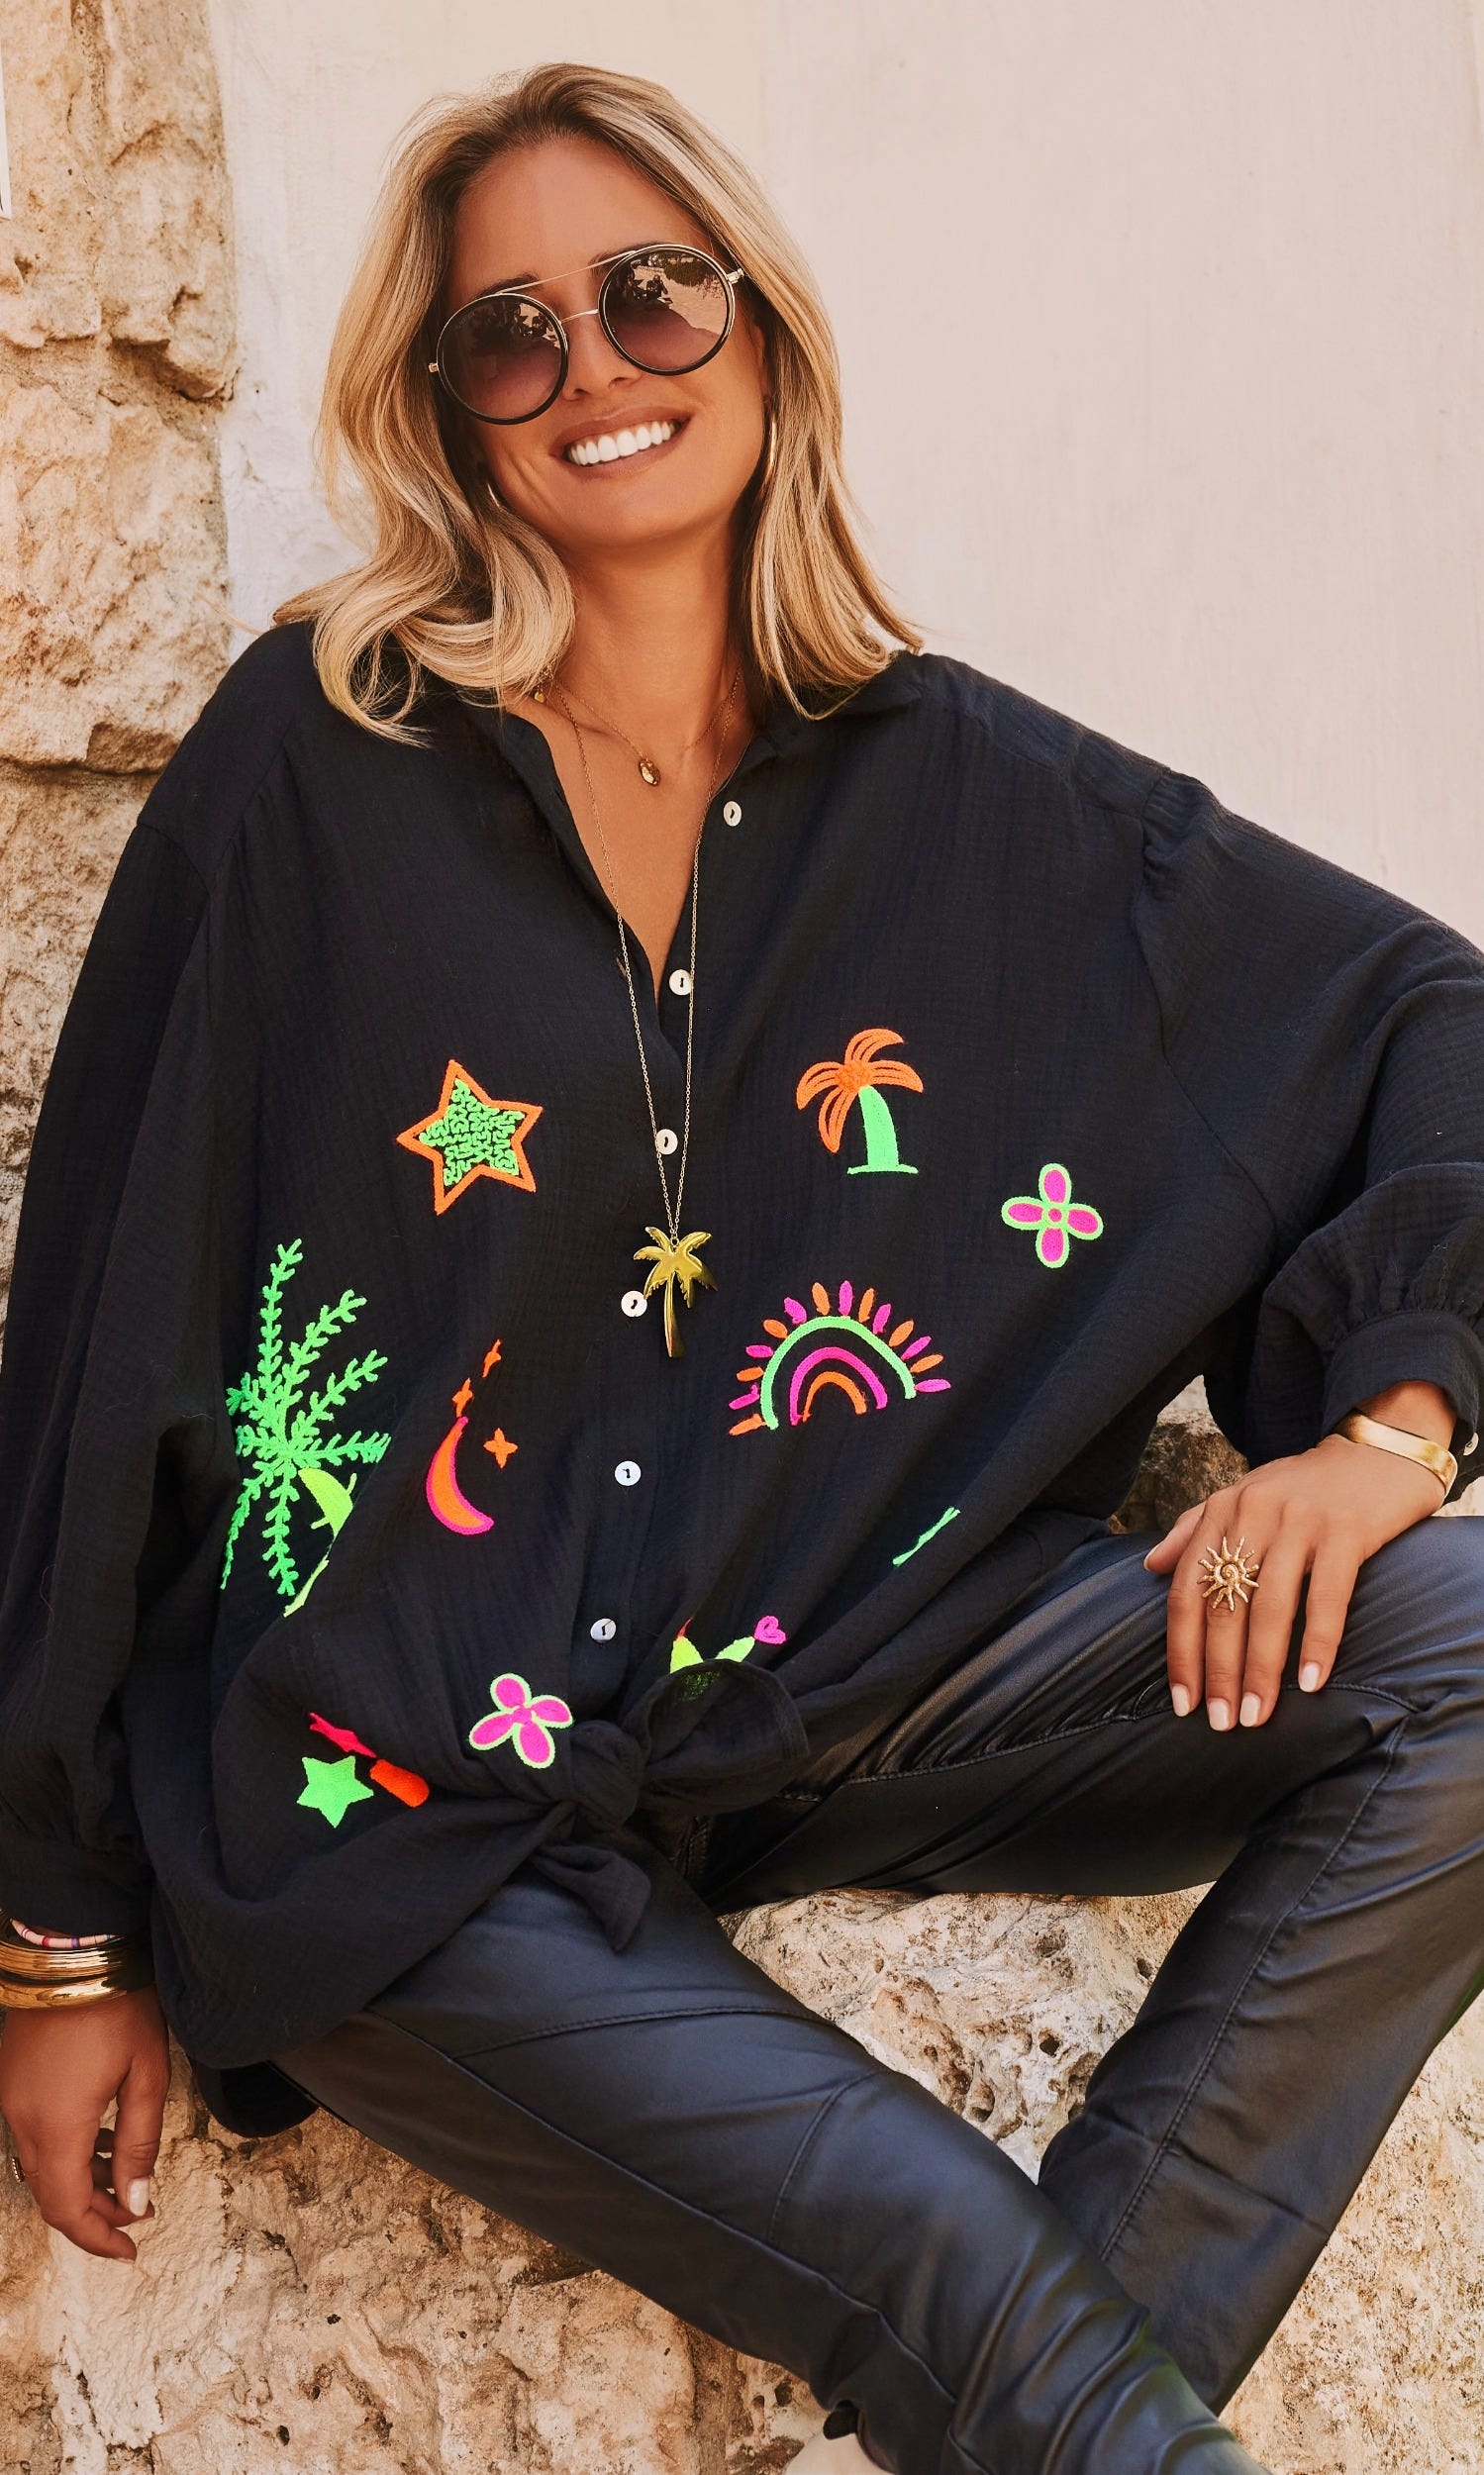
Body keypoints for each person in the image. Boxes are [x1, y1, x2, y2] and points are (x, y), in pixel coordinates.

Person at [1, 58, 1481, 2475]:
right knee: (941, 2262)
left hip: (867, 1684)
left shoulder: (977, 800)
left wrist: (1390, 1430)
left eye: (650, 295)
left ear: (760, 329)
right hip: (398, 1789)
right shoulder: (321, 761)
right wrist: (55, 1929)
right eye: (508, 335)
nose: (592, 365)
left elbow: (1428, 1017)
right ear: (448, 412)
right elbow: (98, 1318)